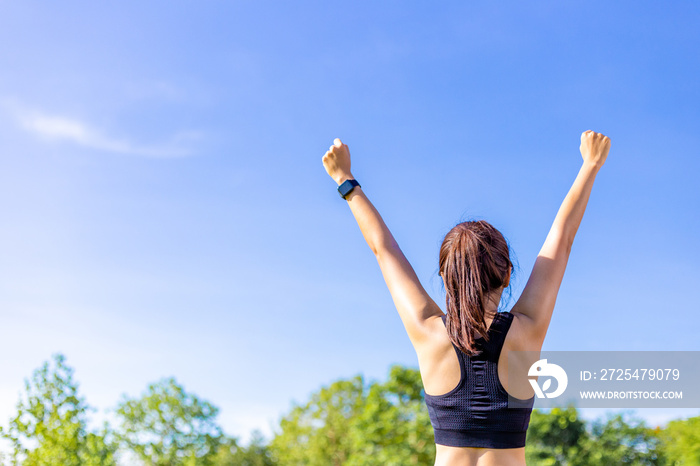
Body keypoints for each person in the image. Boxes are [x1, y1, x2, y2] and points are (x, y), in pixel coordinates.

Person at [322, 130, 611, 466]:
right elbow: (562, 241)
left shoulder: (428, 333)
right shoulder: (527, 330)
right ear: (506, 276)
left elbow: (383, 250)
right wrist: (590, 164)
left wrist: (345, 179)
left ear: (445, 278)